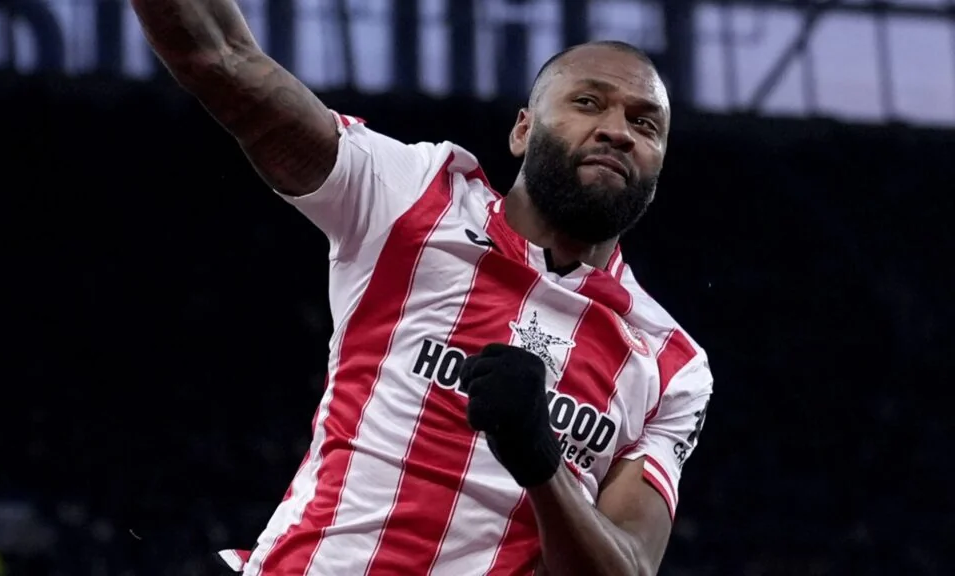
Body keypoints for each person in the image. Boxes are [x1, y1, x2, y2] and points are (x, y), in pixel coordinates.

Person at [129, 1, 713, 574]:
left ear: (659, 167)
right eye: (587, 102)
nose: (617, 131)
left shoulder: (672, 365)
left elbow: (629, 566)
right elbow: (223, 59)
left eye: (645, 124)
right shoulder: (413, 197)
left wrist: (540, 459)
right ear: (523, 129)